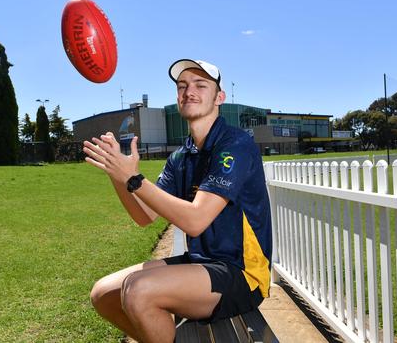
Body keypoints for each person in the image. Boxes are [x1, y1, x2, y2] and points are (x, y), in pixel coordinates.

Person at [83, 59, 272, 343]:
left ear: (219, 97)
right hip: (200, 263)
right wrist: (118, 174)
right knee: (103, 295)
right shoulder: (180, 158)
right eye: (182, 86)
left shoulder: (235, 144)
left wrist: (135, 179)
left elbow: (195, 221)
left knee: (139, 290)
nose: (189, 91)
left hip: (242, 273)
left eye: (200, 85)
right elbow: (144, 216)